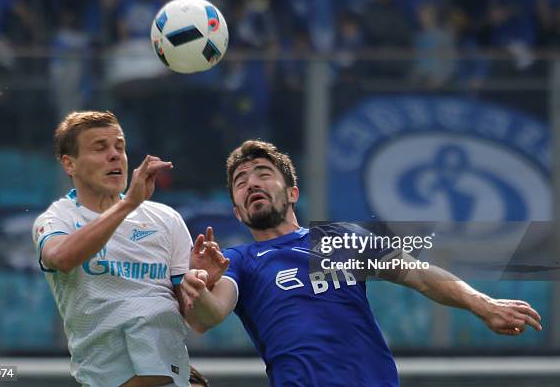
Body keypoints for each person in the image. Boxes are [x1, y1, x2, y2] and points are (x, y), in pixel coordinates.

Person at [180, 139, 543, 386]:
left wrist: (484, 304)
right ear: (237, 212)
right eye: (240, 181)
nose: (251, 183)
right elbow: (206, 318)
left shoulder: (335, 240)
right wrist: (198, 287)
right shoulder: (241, 261)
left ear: (292, 192)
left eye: (262, 173)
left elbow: (419, 275)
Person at [32, 111, 192, 387]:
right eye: (100, 148)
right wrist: (128, 204)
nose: (115, 155)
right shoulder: (57, 219)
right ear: (69, 164)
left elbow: (197, 317)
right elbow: (60, 257)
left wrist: (205, 282)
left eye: (120, 146)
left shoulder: (166, 219)